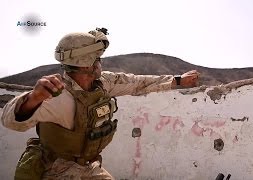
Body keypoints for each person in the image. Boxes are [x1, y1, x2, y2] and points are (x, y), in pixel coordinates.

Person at [1, 27, 200, 180]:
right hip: (55, 169)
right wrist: (33, 99)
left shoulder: (103, 83)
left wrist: (178, 80)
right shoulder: (57, 95)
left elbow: (138, 83)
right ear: (87, 63)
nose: (100, 63)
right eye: (97, 59)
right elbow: (10, 120)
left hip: (89, 166)